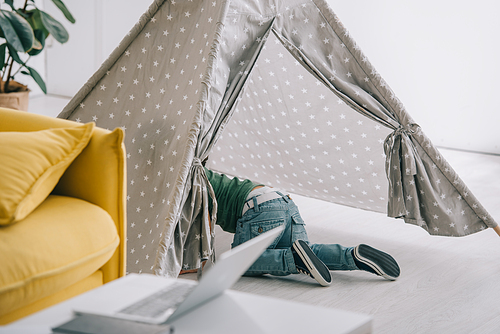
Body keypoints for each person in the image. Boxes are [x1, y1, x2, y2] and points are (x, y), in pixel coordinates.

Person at [204, 168, 400, 286]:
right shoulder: (200, 173)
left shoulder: (187, 180)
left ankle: (294, 259)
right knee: (309, 253)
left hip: (259, 209)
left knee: (235, 261)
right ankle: (352, 256)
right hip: (285, 203)